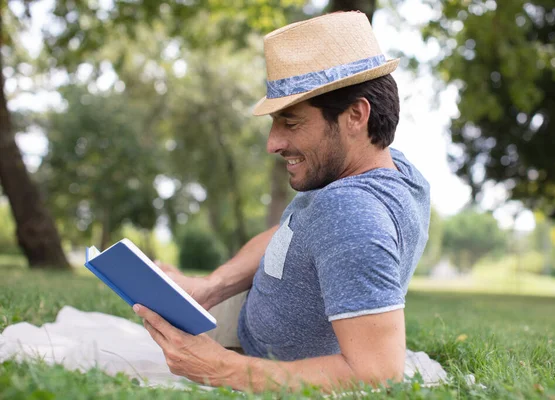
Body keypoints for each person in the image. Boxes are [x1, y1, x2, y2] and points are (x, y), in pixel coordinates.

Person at [133, 11, 430, 392]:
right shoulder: (393, 167)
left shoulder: (352, 213)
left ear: (356, 115)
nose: (273, 143)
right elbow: (291, 232)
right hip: (245, 316)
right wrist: (210, 287)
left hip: (258, 363)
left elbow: (378, 373)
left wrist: (220, 367)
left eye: (291, 123)